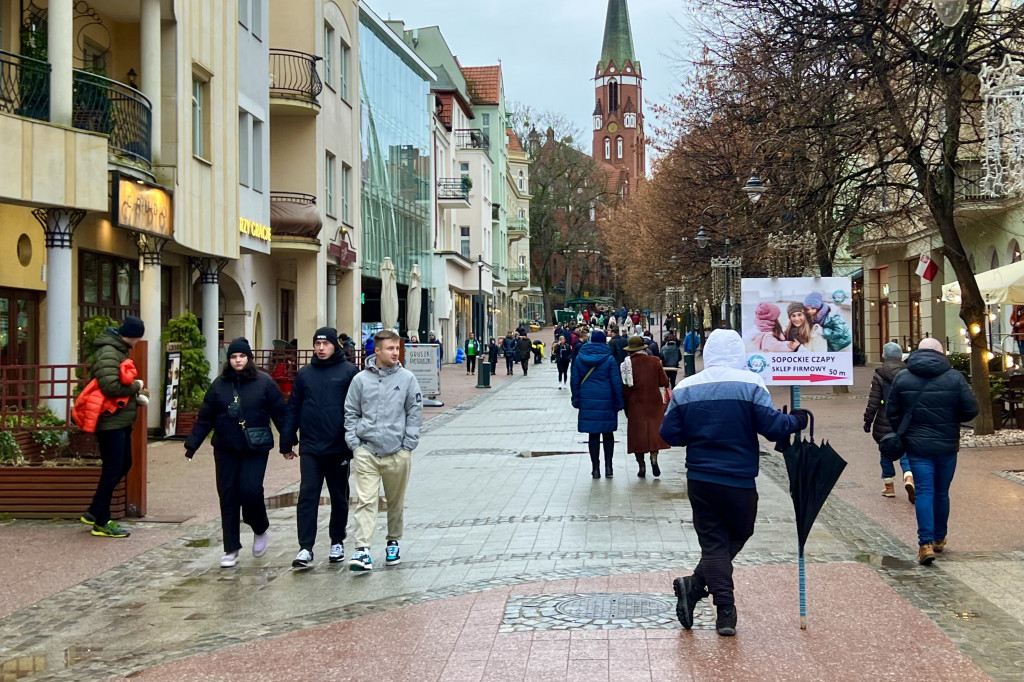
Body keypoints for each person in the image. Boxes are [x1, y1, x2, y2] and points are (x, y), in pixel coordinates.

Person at [660, 329, 808, 637]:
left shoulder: (686, 387)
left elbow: (669, 433)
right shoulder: (750, 384)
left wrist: (698, 433)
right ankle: (725, 611)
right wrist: (796, 420)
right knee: (739, 533)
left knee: (714, 542)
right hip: (739, 478)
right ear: (738, 353)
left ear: (709, 351)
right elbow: (771, 427)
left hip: (701, 478)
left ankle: (696, 585)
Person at [184, 338, 288, 568]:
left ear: (248, 358)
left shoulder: (265, 383)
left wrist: (288, 444)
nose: (237, 360)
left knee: (250, 491)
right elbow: (205, 417)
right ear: (228, 360)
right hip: (226, 448)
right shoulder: (219, 385)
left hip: (255, 447)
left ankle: (259, 527)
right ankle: (231, 548)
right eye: (233, 357)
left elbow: (280, 414)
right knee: (228, 495)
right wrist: (192, 444)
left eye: (241, 356)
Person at [886, 337, 978, 566]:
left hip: (917, 446)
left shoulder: (903, 377)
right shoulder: (955, 378)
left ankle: (925, 544)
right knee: (941, 492)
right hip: (947, 445)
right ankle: (939, 537)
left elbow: (892, 411)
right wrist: (951, 419)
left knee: (925, 492)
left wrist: (904, 431)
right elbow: (971, 410)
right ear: (941, 353)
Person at [344, 330, 423, 571]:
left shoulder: (407, 378)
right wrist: (355, 444)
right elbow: (351, 412)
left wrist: (408, 445)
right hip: (367, 450)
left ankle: (393, 541)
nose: (395, 353)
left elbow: (414, 412)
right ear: (376, 351)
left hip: (397, 451)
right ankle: (362, 550)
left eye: (397, 348)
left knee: (395, 501)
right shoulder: (360, 380)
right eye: (389, 349)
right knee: (366, 501)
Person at [280, 328, 359, 569]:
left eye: (325, 344)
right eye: (317, 344)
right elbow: (293, 408)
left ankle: (337, 541)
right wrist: (287, 440)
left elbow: (357, 408)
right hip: (311, 445)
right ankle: (305, 547)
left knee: (338, 495)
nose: (321, 348)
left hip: (338, 445)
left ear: (335, 345)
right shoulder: (305, 374)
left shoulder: (349, 372)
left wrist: (355, 441)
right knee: (308, 495)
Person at [81, 316, 148, 539]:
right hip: (110, 421)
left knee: (123, 464)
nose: (138, 343)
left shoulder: (118, 350)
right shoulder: (109, 351)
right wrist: (135, 387)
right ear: (132, 335)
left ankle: (94, 510)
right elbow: (109, 385)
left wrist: (134, 396)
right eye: (138, 338)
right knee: (113, 469)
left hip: (119, 419)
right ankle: (102, 521)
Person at [864, 342, 914, 501]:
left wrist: (868, 420)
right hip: (906, 420)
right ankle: (909, 477)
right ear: (901, 356)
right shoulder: (909, 372)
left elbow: (874, 400)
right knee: (906, 451)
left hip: (884, 419)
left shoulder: (880, 373)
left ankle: (889, 487)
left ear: (884, 356)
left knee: (886, 451)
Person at [571, 329, 624, 478]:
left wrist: (576, 398)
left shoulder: (581, 358)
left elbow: (574, 379)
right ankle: (609, 467)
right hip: (607, 399)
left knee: (593, 435)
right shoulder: (609, 359)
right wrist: (619, 402)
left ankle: (595, 468)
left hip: (587, 399)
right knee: (608, 434)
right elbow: (616, 382)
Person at [622, 336, 671, 477]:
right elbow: (663, 381)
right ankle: (654, 459)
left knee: (638, 436)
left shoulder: (626, 365)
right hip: (653, 403)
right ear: (643, 348)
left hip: (635, 404)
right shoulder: (654, 361)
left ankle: (641, 467)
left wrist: (625, 406)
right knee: (653, 433)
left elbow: (625, 388)